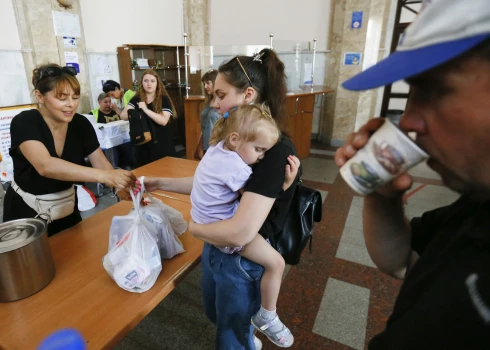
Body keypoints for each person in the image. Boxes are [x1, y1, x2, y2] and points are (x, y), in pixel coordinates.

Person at [335, 0, 490, 348]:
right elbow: (404, 262)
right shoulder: (478, 205)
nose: (407, 122)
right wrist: (382, 197)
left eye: (435, 89)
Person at [138, 48, 300, 349]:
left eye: (221, 95)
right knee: (220, 315)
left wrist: (196, 229)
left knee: (231, 334)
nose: (214, 102)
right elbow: (208, 182)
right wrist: (158, 183)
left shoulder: (268, 148)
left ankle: (253, 329)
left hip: (240, 255)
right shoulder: (232, 140)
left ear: (248, 94)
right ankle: (248, 334)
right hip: (217, 245)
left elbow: (241, 230)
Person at [191, 104, 296, 347]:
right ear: (236, 139)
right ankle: (267, 315)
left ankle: (249, 338)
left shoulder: (216, 149)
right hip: (225, 230)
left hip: (206, 220)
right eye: (258, 149)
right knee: (276, 263)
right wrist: (284, 185)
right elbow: (252, 197)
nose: (261, 157)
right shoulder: (236, 168)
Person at [4, 64, 135, 236]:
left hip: (66, 208)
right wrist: (105, 176)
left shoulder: (80, 123)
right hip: (27, 213)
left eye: (75, 97)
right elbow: (45, 166)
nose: (70, 105)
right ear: (39, 96)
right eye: (62, 98)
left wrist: (118, 186)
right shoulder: (25, 122)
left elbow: (100, 161)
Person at [120, 70, 178, 167]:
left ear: (157, 83)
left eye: (152, 81)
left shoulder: (164, 99)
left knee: (164, 171)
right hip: (142, 143)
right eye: (146, 81)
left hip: (161, 143)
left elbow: (163, 121)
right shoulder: (136, 99)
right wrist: (135, 110)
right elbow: (123, 116)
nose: (149, 84)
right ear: (142, 83)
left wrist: (145, 110)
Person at [89, 92, 133, 170]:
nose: (108, 104)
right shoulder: (94, 114)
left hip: (121, 138)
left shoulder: (115, 110)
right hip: (105, 142)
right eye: (105, 102)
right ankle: (114, 168)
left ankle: (129, 166)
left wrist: (116, 109)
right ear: (99, 102)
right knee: (113, 149)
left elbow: (125, 118)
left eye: (109, 101)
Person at [197, 69, 220, 158]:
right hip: (206, 146)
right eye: (204, 84)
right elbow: (204, 127)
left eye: (208, 83)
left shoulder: (223, 102)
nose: (205, 86)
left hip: (217, 147)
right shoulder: (208, 101)